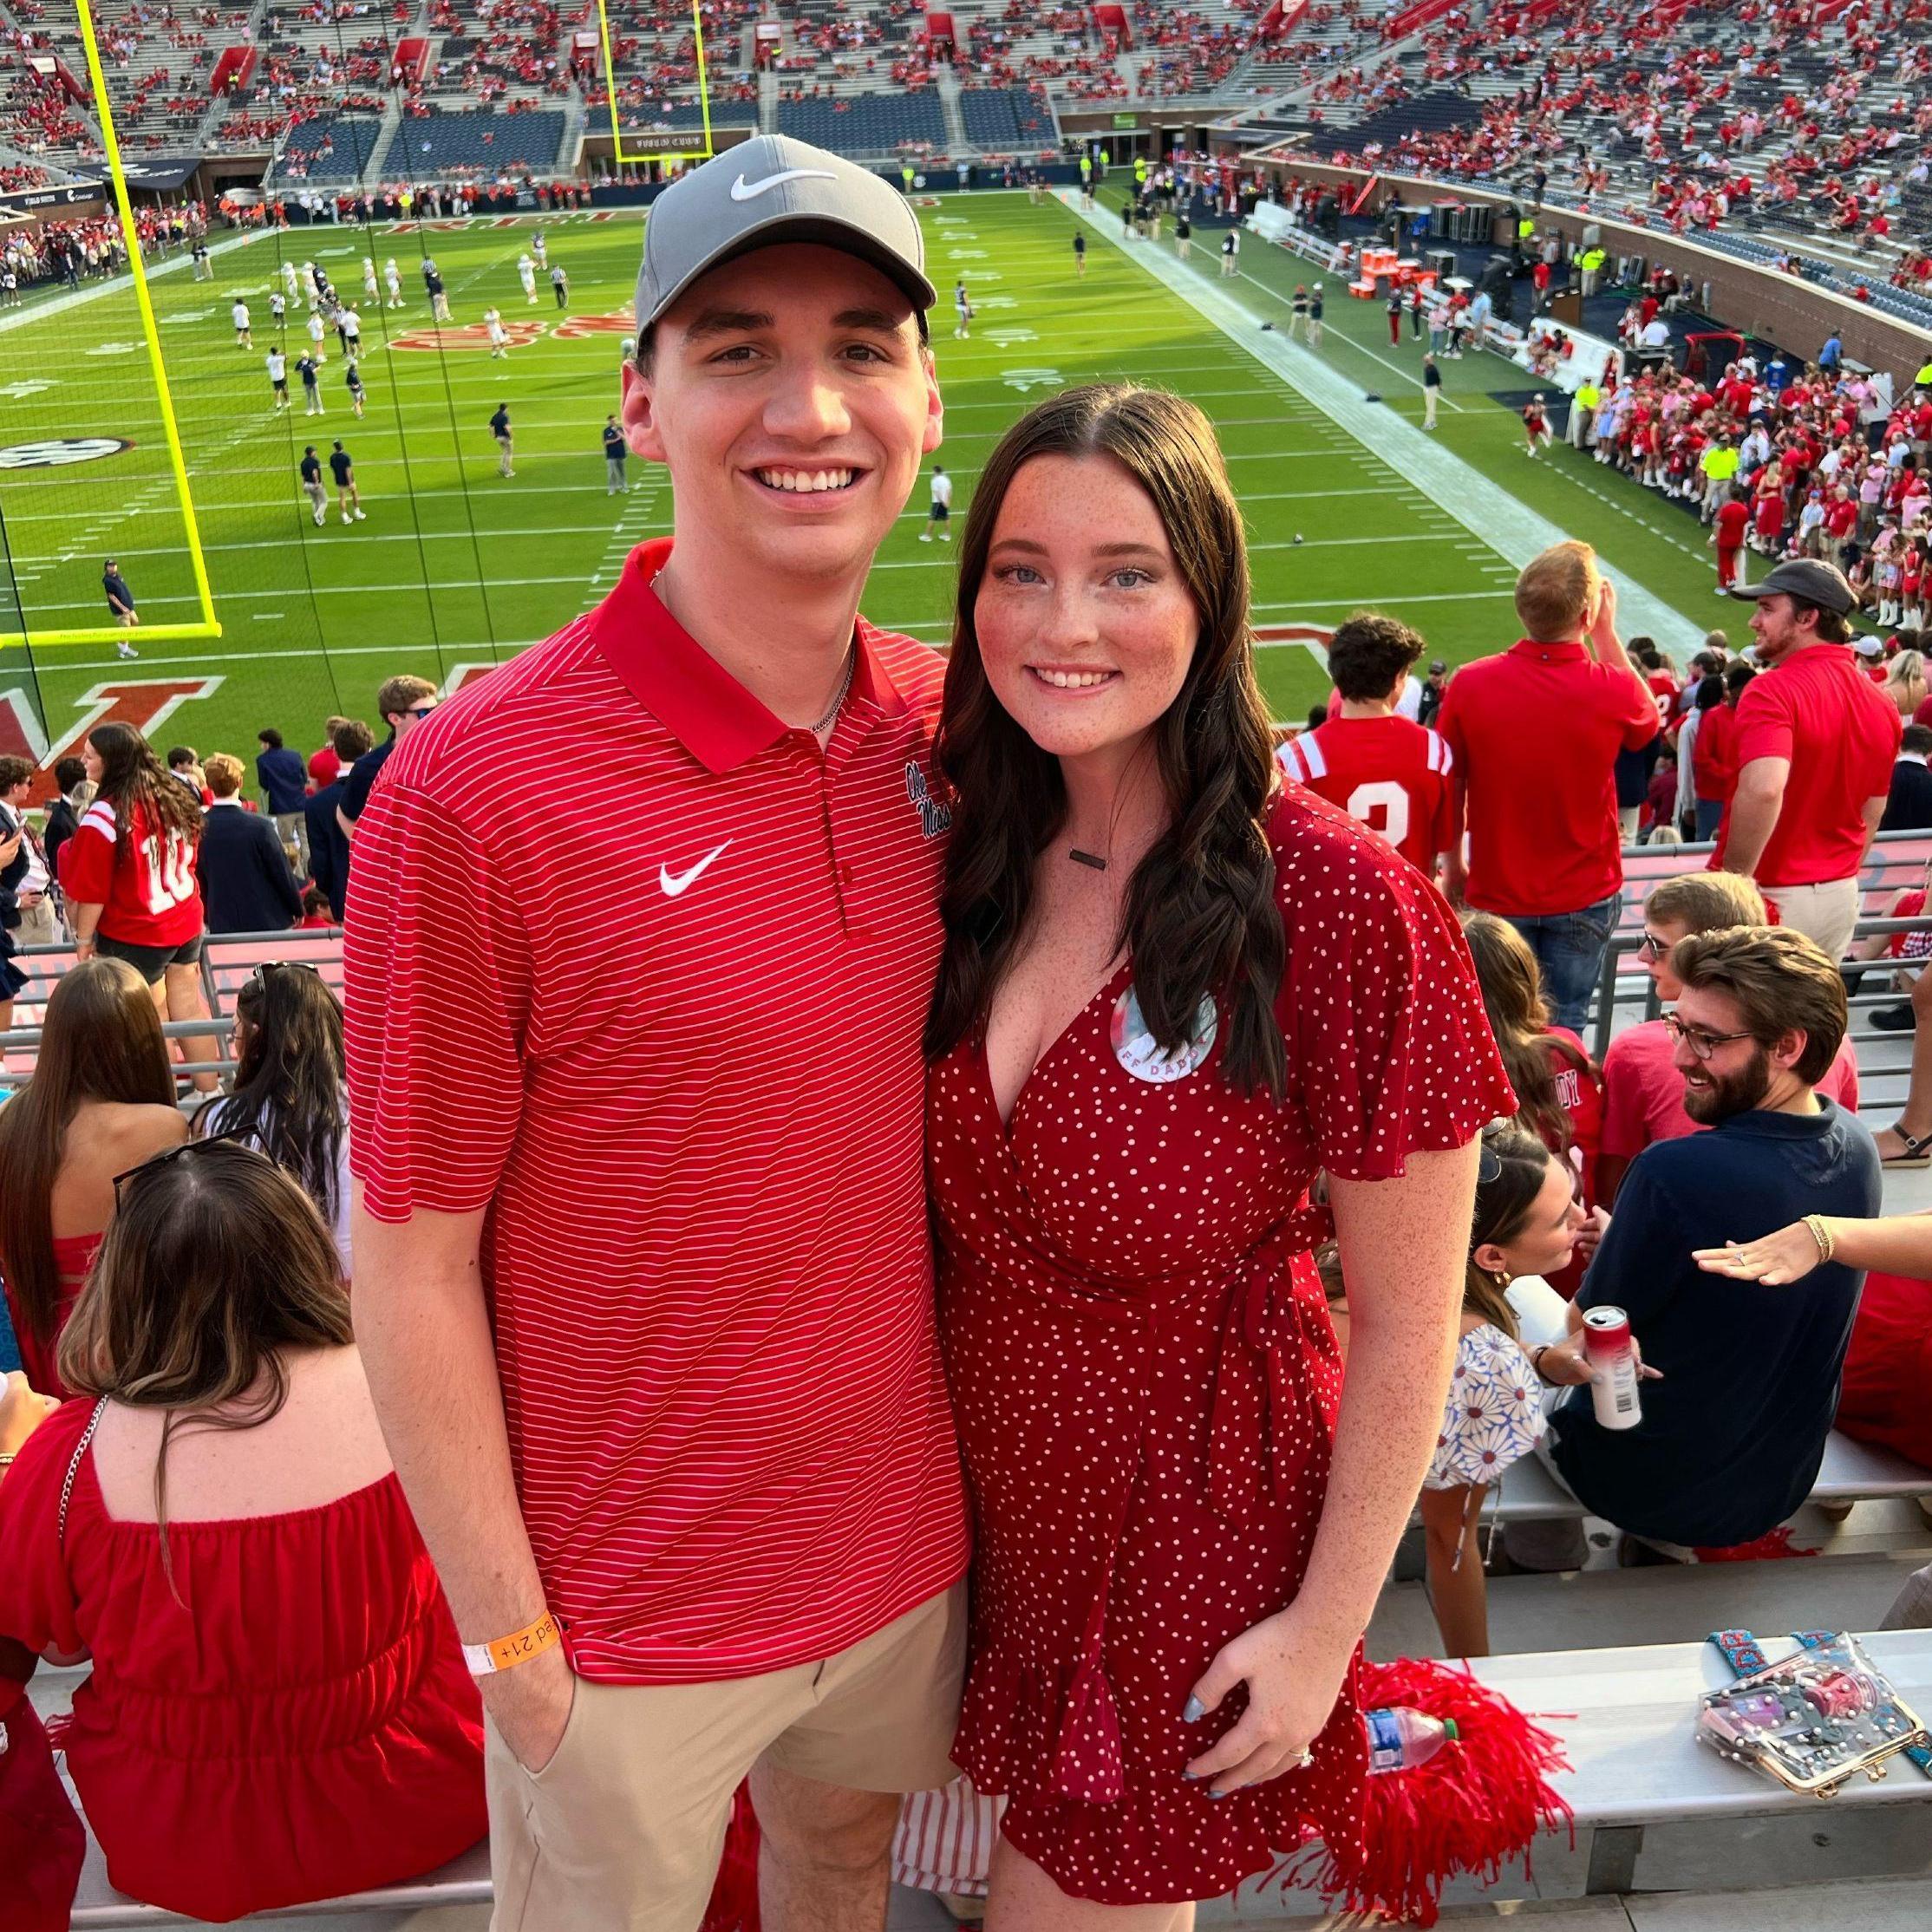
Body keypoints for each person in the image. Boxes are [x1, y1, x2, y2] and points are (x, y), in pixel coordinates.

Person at [345, 137, 972, 1931]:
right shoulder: (477, 791)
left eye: (862, 343)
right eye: (735, 350)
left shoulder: (954, 732)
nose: (811, 402)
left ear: (927, 395)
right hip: (617, 1613)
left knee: (844, 1872)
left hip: (899, 1548)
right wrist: (509, 1631)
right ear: (640, 399)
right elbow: (407, 1254)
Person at [924, 379, 1510, 1918]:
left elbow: (1404, 1316)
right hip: (951, 1525)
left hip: (1173, 1536)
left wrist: (1326, 1627)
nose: (1066, 620)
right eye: (1019, 568)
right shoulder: (954, 841)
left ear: (1209, 596)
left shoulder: (1343, 907)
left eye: (1126, 572)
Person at [0, 1140, 486, 1921]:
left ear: (125, 1285)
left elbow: (54, 1646)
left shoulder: (71, 1458)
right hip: (417, 1793)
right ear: (301, 1252)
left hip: (181, 1842)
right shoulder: (405, 1388)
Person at [1547, 925, 1880, 1554]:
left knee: (1503, 1335)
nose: (1680, 1058)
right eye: (1680, 1027)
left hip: (1653, 1487)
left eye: (1709, 1040)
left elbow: (1588, 1329)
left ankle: (1538, 1556)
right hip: (1778, 1479)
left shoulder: (1674, 1173)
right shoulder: (1860, 1147)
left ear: (1788, 1047)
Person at [1439, 542, 1660, 1033]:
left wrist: (1453, 863)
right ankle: (1562, 1111)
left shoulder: (1471, 683)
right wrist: (1606, 632)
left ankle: (1507, 1113)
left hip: (1498, 887)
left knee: (1498, 1028)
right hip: (1584, 889)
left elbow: (1451, 786)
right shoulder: (1611, 685)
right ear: (1586, 613)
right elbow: (1648, 722)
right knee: (1566, 1027)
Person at [1413, 1123, 1590, 1657]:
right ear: (1492, 1258)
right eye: (1562, 1219)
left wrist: (1532, 1357)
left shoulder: (1362, 1253)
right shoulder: (1481, 1362)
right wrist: (1478, 1682)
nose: (1583, 1220)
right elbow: (1449, 1538)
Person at [0, 958, 186, 1400]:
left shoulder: (11, 1125)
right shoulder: (162, 1127)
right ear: (140, 1035)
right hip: (132, 1349)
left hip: (42, 1355)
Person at [1721, 558, 1899, 959]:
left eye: (1767, 609)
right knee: (1811, 1022)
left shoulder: (1772, 690)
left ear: (1807, 617)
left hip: (1771, 893)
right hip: (1840, 893)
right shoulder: (1879, 700)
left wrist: (1732, 883)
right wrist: (1841, 871)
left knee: (1739, 1021)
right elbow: (1874, 806)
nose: (1754, 621)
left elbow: (1765, 789)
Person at [59, 722, 219, 1089]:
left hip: (137, 931)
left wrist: (83, 941)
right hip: (184, 919)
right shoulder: (174, 797)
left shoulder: (105, 816)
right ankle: (210, 1090)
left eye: (90, 755)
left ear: (112, 762)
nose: (83, 761)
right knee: (186, 1007)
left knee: (149, 1019)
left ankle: (163, 1102)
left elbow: (91, 893)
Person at [1459, 911, 1603, 1289]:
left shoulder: (1455, 1070)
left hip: (1505, 1265)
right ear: (1526, 980)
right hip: (1577, 1248)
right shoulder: (1564, 1046)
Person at [197, 963, 351, 1271]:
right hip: (360, 1295)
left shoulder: (221, 1121)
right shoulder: (370, 1112)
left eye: (235, 1031)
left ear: (256, 1038)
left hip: (270, 1295)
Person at [1277, 612, 1453, 878]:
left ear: (1337, 675)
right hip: (1409, 911)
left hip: (1330, 911)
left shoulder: (1297, 758)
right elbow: (1441, 846)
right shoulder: (1434, 751)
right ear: (1397, 679)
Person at [197, 754, 302, 936]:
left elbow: (199, 878)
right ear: (240, 782)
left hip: (223, 923)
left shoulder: (198, 828)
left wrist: (207, 916)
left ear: (209, 785)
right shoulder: (260, 827)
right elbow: (281, 871)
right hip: (268, 922)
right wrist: (297, 907)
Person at [336, 677, 434, 845]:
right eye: (425, 713)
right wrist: (372, 856)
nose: (434, 718)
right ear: (395, 719)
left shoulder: (450, 750)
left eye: (437, 710)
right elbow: (345, 815)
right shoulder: (369, 767)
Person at [305, 718, 370, 917]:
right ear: (369, 748)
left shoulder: (316, 804)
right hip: (391, 894)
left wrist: (331, 891)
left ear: (335, 752)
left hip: (345, 898)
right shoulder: (383, 789)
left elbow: (320, 862)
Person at [256, 728, 310, 873]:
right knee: (306, 841)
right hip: (302, 804)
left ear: (267, 744)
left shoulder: (262, 760)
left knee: (287, 843)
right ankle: (311, 872)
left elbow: (264, 784)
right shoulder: (295, 755)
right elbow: (304, 778)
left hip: (283, 808)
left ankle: (299, 876)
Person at [1881, 721, 1932, 831]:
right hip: (1923, 844)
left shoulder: (1883, 776)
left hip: (1883, 842)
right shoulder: (1929, 781)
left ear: (1900, 746)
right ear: (1930, 753)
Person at [101, 558, 138, 660]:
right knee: (126, 627)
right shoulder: (108, 581)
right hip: (121, 610)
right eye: (110, 566)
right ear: (106, 568)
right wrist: (122, 607)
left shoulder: (117, 576)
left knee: (135, 622)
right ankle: (124, 648)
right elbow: (112, 596)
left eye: (114, 565)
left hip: (128, 606)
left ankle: (123, 645)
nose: (113, 567)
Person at [329, 441, 363, 524]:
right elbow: (348, 470)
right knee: (354, 494)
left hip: (339, 480)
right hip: (348, 481)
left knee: (342, 498)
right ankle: (357, 513)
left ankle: (345, 517)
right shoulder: (346, 457)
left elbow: (333, 468)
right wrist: (350, 482)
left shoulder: (332, 457)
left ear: (334, 448)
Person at [920, 461, 954, 542]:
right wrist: (947, 501)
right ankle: (947, 535)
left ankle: (928, 536)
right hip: (945, 502)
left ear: (935, 471)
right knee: (946, 518)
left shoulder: (934, 480)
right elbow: (950, 490)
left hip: (938, 502)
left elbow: (936, 492)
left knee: (932, 518)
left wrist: (942, 502)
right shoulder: (946, 479)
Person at [297, 444, 327, 525]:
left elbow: (303, 475)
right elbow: (314, 472)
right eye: (314, 451)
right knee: (324, 501)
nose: (315, 452)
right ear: (311, 453)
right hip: (315, 485)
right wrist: (317, 483)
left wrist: (304, 485)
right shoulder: (315, 461)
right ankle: (317, 515)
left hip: (307, 485)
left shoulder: (303, 462)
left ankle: (319, 520)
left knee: (315, 501)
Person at [604, 413, 629, 494]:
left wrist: (618, 433)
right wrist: (616, 439)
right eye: (612, 421)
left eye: (615, 420)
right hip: (611, 455)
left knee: (622, 472)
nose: (614, 422)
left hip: (620, 453)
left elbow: (625, 438)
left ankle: (624, 487)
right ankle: (611, 489)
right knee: (611, 473)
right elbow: (606, 442)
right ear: (609, 421)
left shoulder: (620, 429)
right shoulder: (606, 431)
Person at [1421, 352, 1442, 430]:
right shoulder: (1431, 368)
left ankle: (1428, 423)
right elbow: (1438, 379)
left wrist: (1439, 385)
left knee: (1429, 407)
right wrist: (1439, 386)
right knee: (1431, 406)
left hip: (1431, 389)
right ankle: (1433, 421)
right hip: (1430, 388)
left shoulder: (1430, 368)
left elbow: (1437, 379)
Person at [265, 345, 289, 409]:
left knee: (277, 390)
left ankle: (278, 403)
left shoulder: (269, 359)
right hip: (281, 376)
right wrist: (281, 352)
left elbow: (267, 364)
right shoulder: (280, 358)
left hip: (274, 377)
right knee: (284, 389)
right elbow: (287, 356)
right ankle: (287, 402)